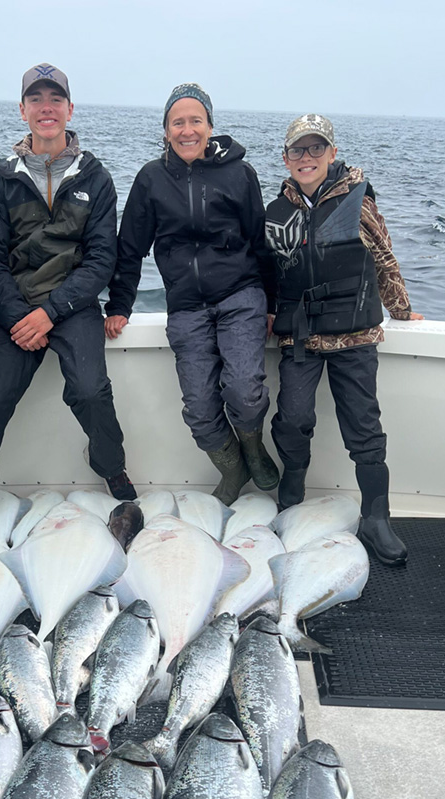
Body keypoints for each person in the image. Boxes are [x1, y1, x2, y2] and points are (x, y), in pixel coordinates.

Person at [0, 63, 134, 560]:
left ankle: (110, 464)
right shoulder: (2, 178)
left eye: (55, 99)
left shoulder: (97, 177)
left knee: (90, 391)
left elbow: (102, 259)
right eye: (36, 99)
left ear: (70, 108)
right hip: (14, 308)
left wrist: (52, 312)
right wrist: (16, 313)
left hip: (73, 306)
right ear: (23, 110)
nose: (46, 108)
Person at [105, 83, 278, 505]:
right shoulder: (151, 179)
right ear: (165, 130)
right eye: (177, 122)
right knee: (199, 411)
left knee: (244, 390)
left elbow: (261, 242)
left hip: (241, 295)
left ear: (210, 126)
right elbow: (130, 247)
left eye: (195, 120)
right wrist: (120, 305)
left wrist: (274, 304)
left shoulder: (240, 173)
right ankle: (233, 466)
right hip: (185, 305)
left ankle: (253, 446)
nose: (187, 130)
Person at [265, 114, 423, 564]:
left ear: (333, 154)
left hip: (355, 335)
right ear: (286, 158)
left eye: (317, 149)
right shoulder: (277, 211)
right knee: (292, 418)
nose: (307, 157)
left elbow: (385, 259)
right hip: (302, 337)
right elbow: (272, 272)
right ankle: (291, 482)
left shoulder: (359, 202)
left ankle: (377, 516)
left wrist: (401, 309)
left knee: (364, 428)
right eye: (298, 150)